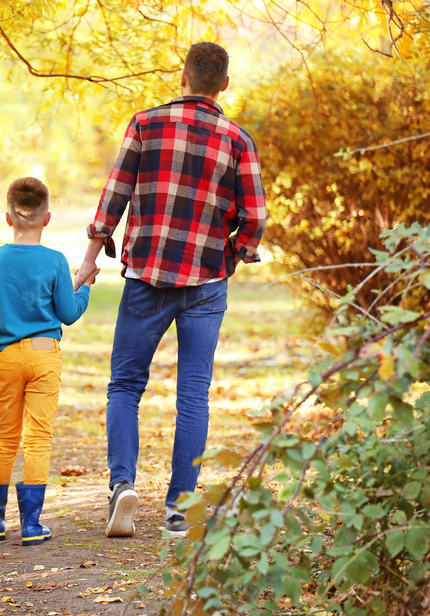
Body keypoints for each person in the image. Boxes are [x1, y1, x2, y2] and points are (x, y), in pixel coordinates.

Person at [73, 41, 267, 538]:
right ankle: (180, 510)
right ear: (224, 84)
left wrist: (91, 259)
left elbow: (114, 194)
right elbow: (256, 219)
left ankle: (122, 487)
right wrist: (230, 258)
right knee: (194, 395)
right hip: (206, 281)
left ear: (183, 78)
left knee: (125, 385)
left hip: (146, 276)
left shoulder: (145, 123)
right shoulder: (238, 139)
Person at [0, 177, 97, 546]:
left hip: (7, 357)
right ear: (48, 218)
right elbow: (68, 314)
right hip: (44, 354)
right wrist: (83, 286)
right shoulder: (55, 261)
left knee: (4, 438)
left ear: (8, 218)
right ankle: (31, 525)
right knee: (38, 438)